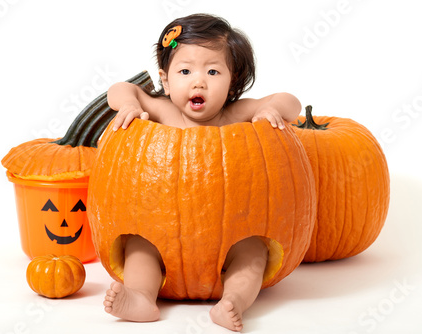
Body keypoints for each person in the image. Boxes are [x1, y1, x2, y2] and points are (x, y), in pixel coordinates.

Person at [103, 13, 301, 332]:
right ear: (166, 81)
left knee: (253, 252)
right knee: (139, 247)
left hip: (231, 230)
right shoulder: (163, 111)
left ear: (232, 80)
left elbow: (289, 101)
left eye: (212, 70)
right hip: (163, 229)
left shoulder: (236, 114)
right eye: (185, 71)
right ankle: (141, 297)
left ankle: (233, 301)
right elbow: (122, 88)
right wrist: (126, 104)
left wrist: (270, 110)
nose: (199, 81)